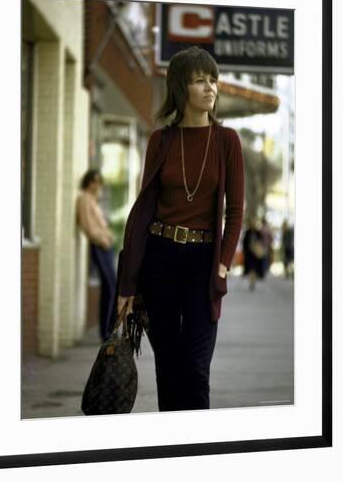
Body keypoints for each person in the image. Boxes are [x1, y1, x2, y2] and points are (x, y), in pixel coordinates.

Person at [116, 46, 245, 412]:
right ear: (180, 89)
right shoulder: (162, 141)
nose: (210, 88)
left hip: (203, 263)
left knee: (196, 368)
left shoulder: (226, 141)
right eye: (200, 81)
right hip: (161, 260)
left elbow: (235, 212)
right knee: (168, 369)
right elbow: (143, 212)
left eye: (213, 80)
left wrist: (222, 265)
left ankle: (196, 448)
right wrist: (128, 282)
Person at [76, 169, 116, 342]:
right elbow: (87, 225)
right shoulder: (84, 198)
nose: (98, 184)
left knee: (112, 287)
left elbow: (101, 224)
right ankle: (105, 332)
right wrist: (102, 239)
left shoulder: (94, 199)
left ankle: (108, 330)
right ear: (88, 182)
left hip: (106, 245)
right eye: (95, 181)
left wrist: (109, 236)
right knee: (109, 285)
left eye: (100, 181)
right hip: (98, 246)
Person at [242, 217, 266, 291]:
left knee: (254, 269)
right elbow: (244, 243)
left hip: (256, 255)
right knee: (251, 268)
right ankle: (251, 282)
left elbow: (261, 242)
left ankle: (253, 281)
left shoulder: (258, 232)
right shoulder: (247, 232)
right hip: (249, 254)